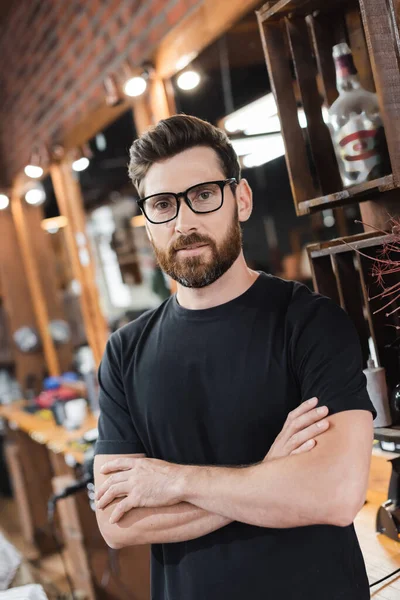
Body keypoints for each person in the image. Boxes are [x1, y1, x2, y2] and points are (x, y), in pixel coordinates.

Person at [94, 115, 376, 600]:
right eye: (162, 205)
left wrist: (174, 481)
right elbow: (119, 523)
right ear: (148, 223)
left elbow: (334, 494)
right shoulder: (124, 352)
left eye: (203, 195)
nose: (184, 222)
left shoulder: (309, 323)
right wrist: (270, 473)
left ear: (240, 199)